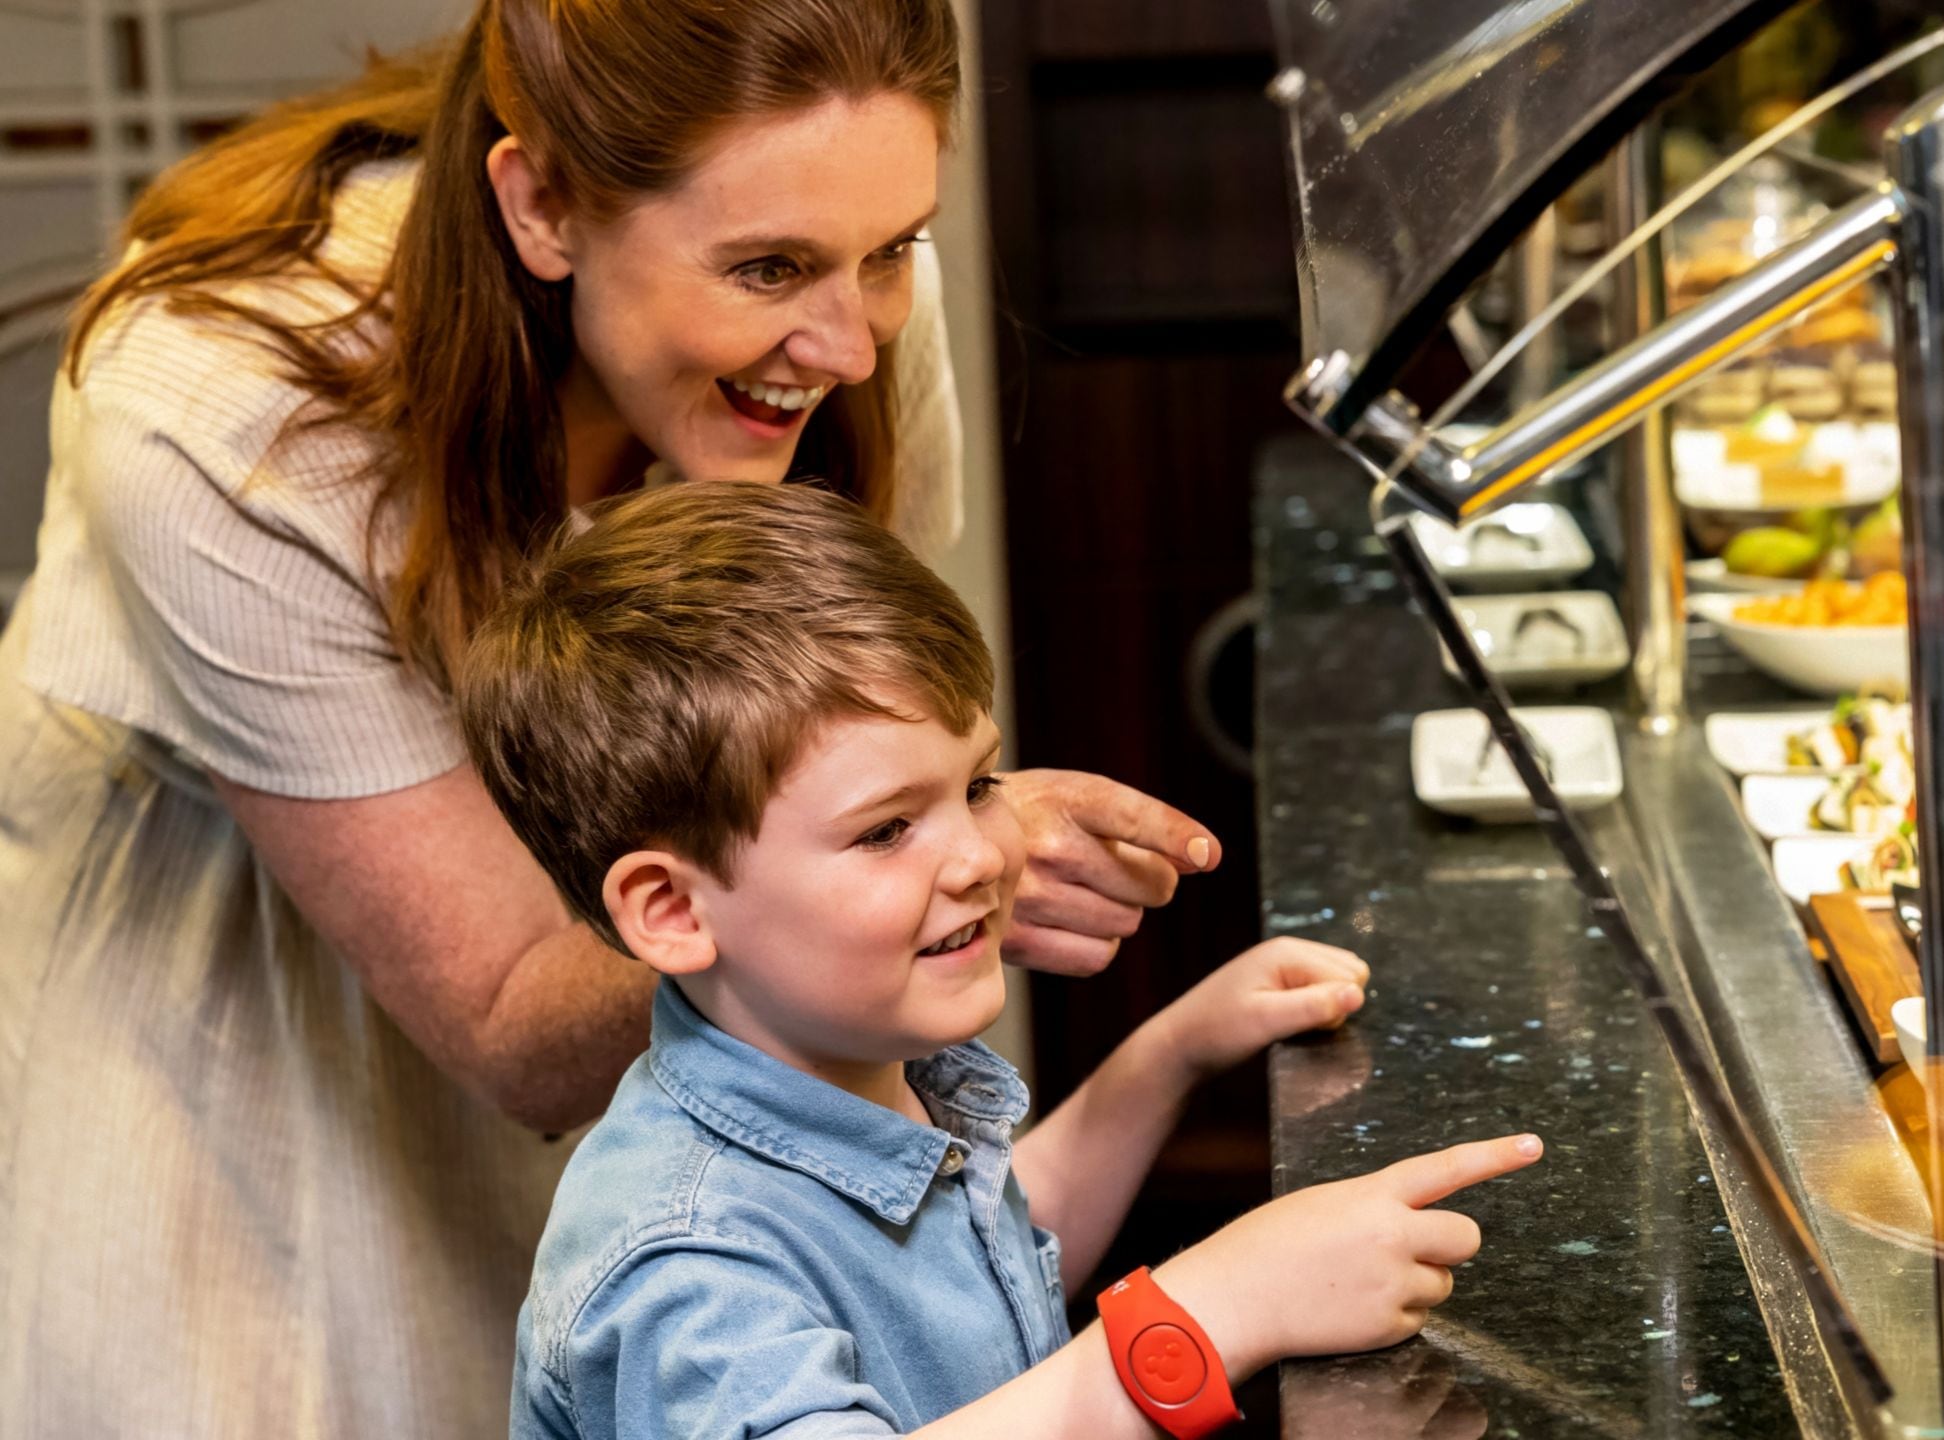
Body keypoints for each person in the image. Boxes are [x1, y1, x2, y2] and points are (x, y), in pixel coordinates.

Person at [0, 1, 1213, 1433]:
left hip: (696, 1020)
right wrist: (938, 867)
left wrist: (913, 847)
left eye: (891, 252)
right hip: (244, 1054)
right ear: (542, 205)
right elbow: (514, 1017)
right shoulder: (226, 406)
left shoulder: (831, 288)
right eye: (768, 267)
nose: (852, 348)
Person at [462, 481, 1539, 1438]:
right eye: (887, 830)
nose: (983, 854)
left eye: (976, 785)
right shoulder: (682, 1267)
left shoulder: (844, 1070)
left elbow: (985, 1267)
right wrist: (1210, 1312)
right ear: (670, 910)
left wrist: (1165, 1056)